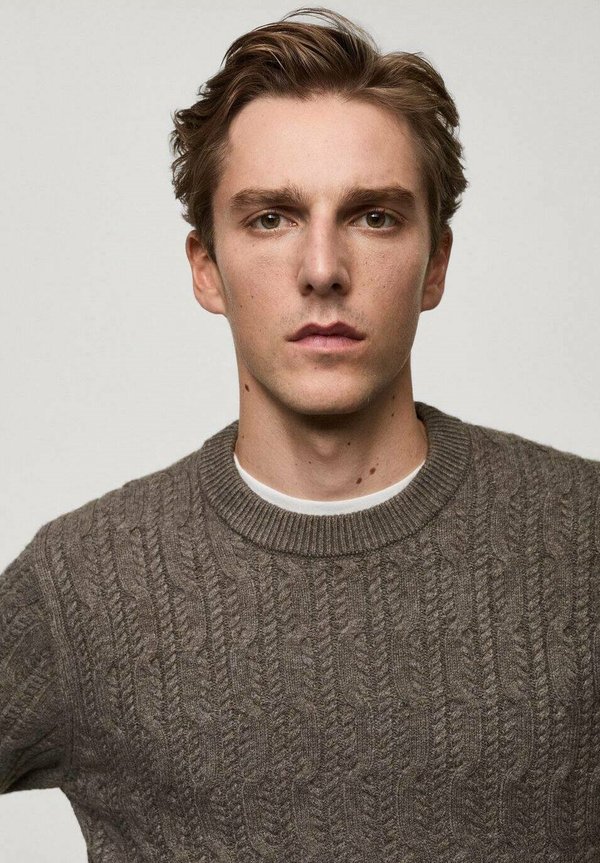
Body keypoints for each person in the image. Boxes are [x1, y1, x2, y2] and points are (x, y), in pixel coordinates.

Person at [1, 6, 599, 861]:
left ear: (436, 263)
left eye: (374, 216)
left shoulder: (584, 539)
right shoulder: (84, 584)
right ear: (206, 268)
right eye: (271, 218)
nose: (323, 269)